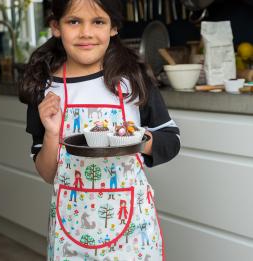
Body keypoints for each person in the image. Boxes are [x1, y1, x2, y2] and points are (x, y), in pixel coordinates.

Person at [19, 0, 180, 260]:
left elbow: (171, 141)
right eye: (74, 21)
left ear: (113, 27)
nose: (86, 32)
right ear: (55, 27)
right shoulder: (46, 90)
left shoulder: (134, 81)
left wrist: (137, 138)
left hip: (132, 231)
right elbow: (48, 174)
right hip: (70, 231)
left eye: (98, 21)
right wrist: (51, 133)